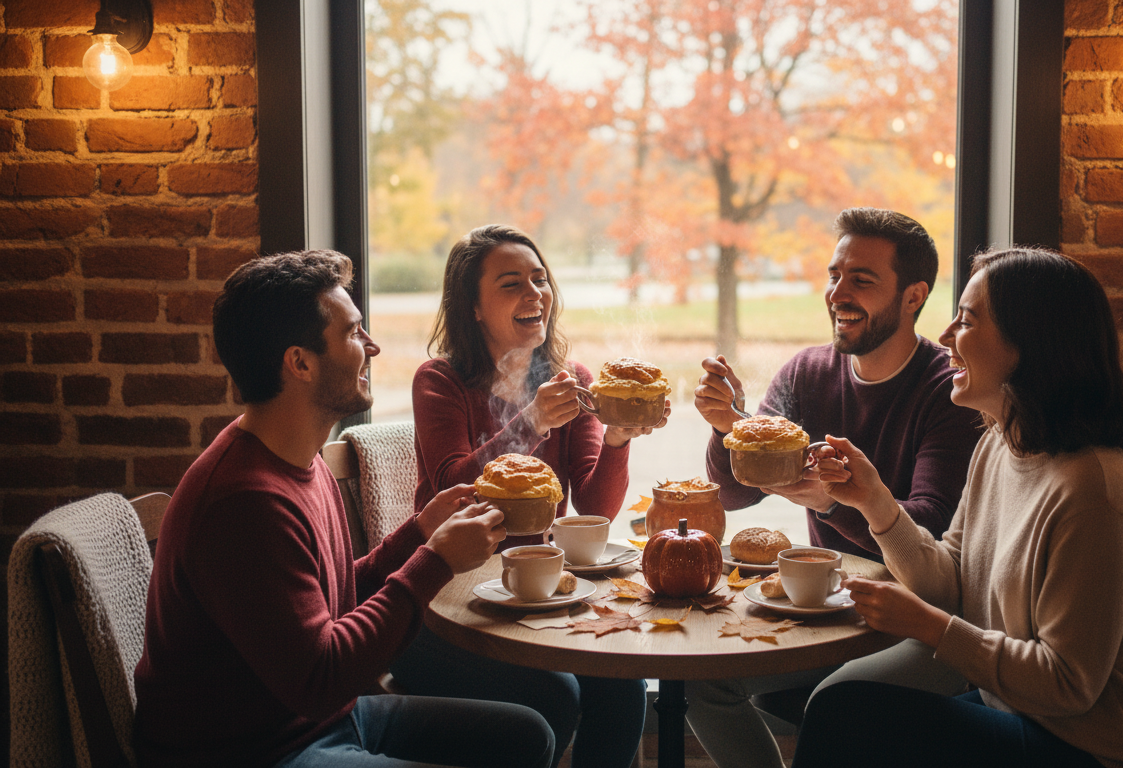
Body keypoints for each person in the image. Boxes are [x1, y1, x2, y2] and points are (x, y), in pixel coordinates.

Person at [133, 250, 554, 768]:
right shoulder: (243, 503)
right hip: (257, 751)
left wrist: (420, 532)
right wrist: (436, 561)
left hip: (324, 720)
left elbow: (331, 600)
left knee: (529, 734)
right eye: (354, 333)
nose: (372, 346)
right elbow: (321, 679)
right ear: (301, 363)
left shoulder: (299, 458)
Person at [792, 247, 1123, 767]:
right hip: (1019, 711)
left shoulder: (1093, 494)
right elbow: (950, 581)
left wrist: (929, 627)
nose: (946, 337)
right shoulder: (1000, 443)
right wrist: (872, 500)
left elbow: (1068, 686)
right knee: (839, 706)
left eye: (967, 321)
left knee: (846, 714)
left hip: (1089, 748)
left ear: (1030, 344)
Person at [686, 207, 984, 768]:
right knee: (701, 683)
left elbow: (932, 527)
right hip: (830, 604)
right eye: (834, 275)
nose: (837, 293)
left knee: (833, 704)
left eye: (861, 280)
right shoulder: (807, 373)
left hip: (924, 618)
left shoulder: (949, 390)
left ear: (914, 296)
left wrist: (830, 502)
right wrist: (728, 429)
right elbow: (735, 494)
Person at [389, 225, 659, 768]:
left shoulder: (571, 379)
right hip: (447, 602)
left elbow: (595, 507)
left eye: (540, 279)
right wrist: (531, 421)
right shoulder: (439, 381)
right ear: (473, 308)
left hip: (538, 595)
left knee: (623, 682)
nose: (534, 293)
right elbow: (453, 488)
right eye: (511, 284)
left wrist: (619, 436)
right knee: (556, 694)